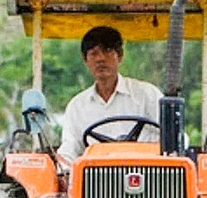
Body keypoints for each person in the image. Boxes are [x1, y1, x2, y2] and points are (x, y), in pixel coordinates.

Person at [57, 26, 163, 163]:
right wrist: (63, 167)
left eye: (107, 51)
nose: (100, 59)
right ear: (85, 60)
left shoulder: (148, 95)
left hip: (147, 176)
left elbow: (176, 139)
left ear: (120, 55)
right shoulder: (77, 106)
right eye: (94, 53)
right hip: (96, 180)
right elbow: (69, 151)